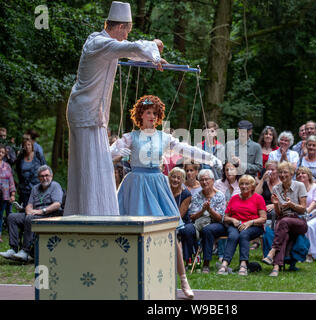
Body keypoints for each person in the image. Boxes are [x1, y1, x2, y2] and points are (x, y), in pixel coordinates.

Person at [110, 95, 221, 299]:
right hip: (135, 184)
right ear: (140, 115)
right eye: (148, 112)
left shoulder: (164, 137)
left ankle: (183, 280)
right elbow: (106, 154)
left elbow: (186, 149)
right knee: (132, 233)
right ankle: (125, 277)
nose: (152, 116)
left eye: (155, 113)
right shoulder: (129, 137)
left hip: (157, 184)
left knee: (171, 234)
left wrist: (209, 157)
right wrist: (115, 153)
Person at [64, 1, 167, 216]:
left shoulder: (104, 44)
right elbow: (131, 47)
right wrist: (153, 46)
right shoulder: (99, 43)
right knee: (90, 167)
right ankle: (89, 215)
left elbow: (131, 52)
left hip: (91, 113)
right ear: (120, 27)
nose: (127, 36)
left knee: (98, 165)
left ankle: (95, 213)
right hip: (85, 113)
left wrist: (153, 57)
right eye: (127, 31)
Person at [0, 165, 63, 262]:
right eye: (41, 176)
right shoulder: (35, 188)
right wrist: (28, 210)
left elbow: (57, 204)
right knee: (12, 217)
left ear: (51, 175)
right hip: (34, 214)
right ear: (38, 177)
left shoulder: (55, 186)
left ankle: (25, 251)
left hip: (49, 215)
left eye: (47, 175)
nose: (44, 178)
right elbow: (29, 204)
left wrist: (42, 211)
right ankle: (13, 249)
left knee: (30, 219)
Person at [262, 161, 308, 277]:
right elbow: (278, 213)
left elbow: (303, 209)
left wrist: (291, 205)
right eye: (280, 172)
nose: (282, 175)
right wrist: (276, 204)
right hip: (283, 221)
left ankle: (272, 252)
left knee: (283, 222)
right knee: (284, 233)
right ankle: (276, 267)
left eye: (285, 172)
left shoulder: (299, 186)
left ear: (292, 173)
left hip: (299, 221)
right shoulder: (276, 188)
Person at [217, 175, 267, 276]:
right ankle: (225, 263)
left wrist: (250, 222)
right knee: (233, 236)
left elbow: (263, 218)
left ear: (253, 186)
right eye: (242, 184)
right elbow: (225, 217)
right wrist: (233, 219)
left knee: (244, 235)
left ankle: (243, 264)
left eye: (247, 184)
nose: (244, 186)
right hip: (236, 225)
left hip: (254, 226)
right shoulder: (234, 198)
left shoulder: (258, 198)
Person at [188, 169, 226, 274]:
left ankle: (206, 263)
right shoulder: (197, 196)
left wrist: (210, 210)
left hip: (217, 224)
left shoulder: (220, 195)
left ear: (213, 180)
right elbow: (192, 217)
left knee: (207, 230)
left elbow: (220, 218)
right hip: (199, 223)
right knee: (187, 229)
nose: (204, 182)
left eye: (206, 180)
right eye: (202, 180)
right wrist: (203, 210)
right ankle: (188, 261)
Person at [168, 167, 196, 269]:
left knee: (186, 231)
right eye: (173, 177)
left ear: (183, 180)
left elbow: (180, 214)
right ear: (169, 177)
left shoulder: (186, 194)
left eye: (179, 178)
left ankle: (187, 259)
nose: (175, 180)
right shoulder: (165, 191)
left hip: (182, 221)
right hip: (165, 220)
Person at [296, 167, 316, 263]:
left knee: (309, 226)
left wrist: (305, 213)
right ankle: (299, 253)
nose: (300, 175)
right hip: (300, 215)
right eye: (298, 174)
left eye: (303, 173)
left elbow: (315, 202)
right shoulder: (297, 188)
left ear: (309, 175)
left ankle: (311, 254)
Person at [213, 161, 241, 262]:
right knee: (223, 220)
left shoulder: (241, 184)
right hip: (220, 213)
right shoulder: (218, 183)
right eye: (226, 170)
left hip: (236, 215)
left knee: (228, 222)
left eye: (231, 169)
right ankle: (221, 254)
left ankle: (223, 254)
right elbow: (213, 199)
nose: (229, 172)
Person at [15, 139, 46, 207]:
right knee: (25, 208)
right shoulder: (20, 157)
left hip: (38, 187)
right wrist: (18, 185)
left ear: (32, 146)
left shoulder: (38, 155)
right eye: (25, 145)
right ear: (23, 147)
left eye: (29, 145)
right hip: (24, 189)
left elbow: (45, 169)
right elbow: (17, 172)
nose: (27, 147)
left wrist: (45, 184)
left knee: (38, 208)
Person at [255, 160, 280, 228]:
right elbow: (256, 195)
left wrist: (274, 205)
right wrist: (262, 179)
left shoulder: (282, 184)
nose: (270, 172)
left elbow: (287, 199)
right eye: (268, 170)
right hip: (263, 208)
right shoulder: (264, 183)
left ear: (278, 171)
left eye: (272, 169)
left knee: (274, 213)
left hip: (277, 207)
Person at [0, 144, 16, 242]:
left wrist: (13, 194)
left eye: (2, 152)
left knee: (1, 215)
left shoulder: (7, 166)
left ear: (5, 154)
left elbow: (11, 180)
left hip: (4, 195)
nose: (0, 154)